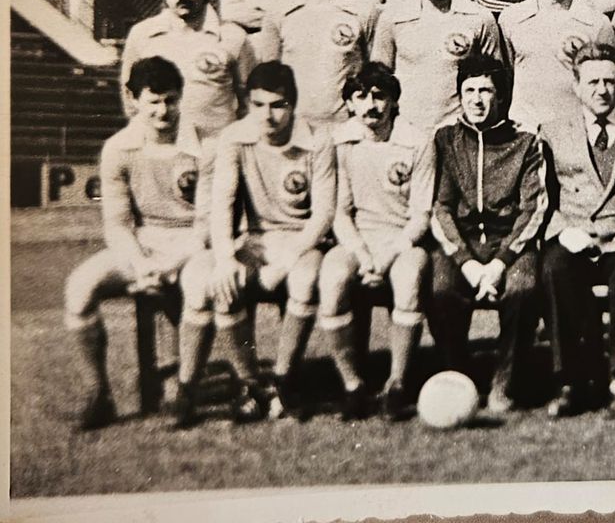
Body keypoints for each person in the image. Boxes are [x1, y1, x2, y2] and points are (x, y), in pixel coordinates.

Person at [175, 62, 335, 425]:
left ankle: (284, 381)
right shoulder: (235, 137)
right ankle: (250, 385)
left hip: (302, 241)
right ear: (248, 103)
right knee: (225, 283)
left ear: (293, 104)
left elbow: (324, 214)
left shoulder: (317, 139)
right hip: (256, 238)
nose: (268, 115)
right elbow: (222, 202)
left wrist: (288, 260)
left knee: (304, 280)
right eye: (259, 105)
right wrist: (226, 257)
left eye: (278, 105)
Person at [64, 57, 209, 430]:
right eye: (153, 101)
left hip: (193, 245)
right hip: (143, 244)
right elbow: (117, 225)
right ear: (133, 100)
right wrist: (142, 264)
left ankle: (184, 394)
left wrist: (173, 263)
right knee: (79, 287)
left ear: (181, 97)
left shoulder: (204, 145)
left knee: (197, 288)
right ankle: (99, 394)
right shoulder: (118, 148)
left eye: (171, 100)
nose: (163, 111)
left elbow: (209, 223)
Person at [538, 43, 615, 418]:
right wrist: (561, 230)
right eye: (593, 82)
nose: (602, 90)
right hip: (575, 232)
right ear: (576, 86)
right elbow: (541, 196)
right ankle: (570, 382)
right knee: (554, 268)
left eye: (610, 82)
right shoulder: (552, 132)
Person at [427, 54, 546, 413]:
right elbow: (440, 207)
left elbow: (533, 207)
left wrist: (500, 263)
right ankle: (457, 377)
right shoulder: (446, 139)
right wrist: (465, 262)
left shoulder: (526, 141)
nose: (477, 100)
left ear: (501, 96)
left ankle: (504, 382)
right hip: (462, 244)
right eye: (470, 91)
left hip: (510, 243)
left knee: (523, 289)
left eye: (486, 91)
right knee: (441, 290)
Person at [317, 63, 433, 421]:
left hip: (402, 240)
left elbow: (421, 215)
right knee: (333, 278)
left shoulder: (416, 141)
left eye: (379, 96)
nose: (371, 105)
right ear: (350, 103)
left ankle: (396, 384)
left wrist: (387, 257)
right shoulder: (341, 141)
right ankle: (353, 385)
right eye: (361, 97)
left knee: (409, 279)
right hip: (358, 239)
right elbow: (340, 212)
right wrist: (362, 255)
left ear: (394, 101)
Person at [370, 0, 503, 134]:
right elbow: (379, 80)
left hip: (459, 133)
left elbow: (496, 82)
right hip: (408, 131)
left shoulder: (480, 18)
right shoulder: (393, 18)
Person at [120, 0, 254, 141]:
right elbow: (131, 99)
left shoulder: (233, 36)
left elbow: (250, 101)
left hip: (215, 150)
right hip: (163, 149)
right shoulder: (142, 35)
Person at [498, 0, 615, 128]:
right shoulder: (511, 18)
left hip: (574, 135)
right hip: (524, 133)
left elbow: (609, 90)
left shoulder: (597, 24)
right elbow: (504, 80)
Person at [259, 0, 368, 127]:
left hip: (344, 129)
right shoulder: (279, 12)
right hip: (294, 129)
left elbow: (371, 76)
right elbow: (268, 81)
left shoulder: (360, 12)